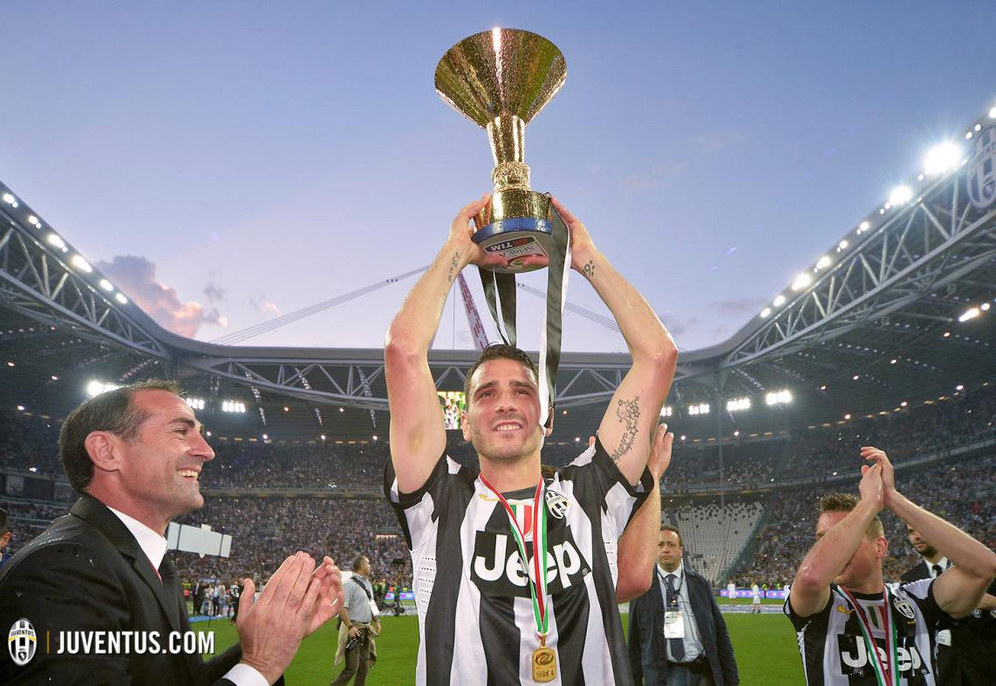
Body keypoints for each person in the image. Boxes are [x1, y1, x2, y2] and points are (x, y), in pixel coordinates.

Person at [384, 196, 677, 684]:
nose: (505, 403)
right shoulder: (439, 500)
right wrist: (456, 252)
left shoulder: (590, 492)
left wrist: (585, 259)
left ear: (546, 417)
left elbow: (658, 356)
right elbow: (403, 350)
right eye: (487, 394)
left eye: (523, 391)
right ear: (464, 422)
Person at [0, 380, 345, 685]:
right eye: (181, 431)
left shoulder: (142, 560)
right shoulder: (62, 570)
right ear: (107, 451)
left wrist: (271, 639)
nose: (207, 451)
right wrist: (259, 666)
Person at [786, 445, 996, 686]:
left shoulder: (917, 599)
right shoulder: (822, 605)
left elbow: (985, 567)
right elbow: (811, 577)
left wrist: (892, 498)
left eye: (844, 537)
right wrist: (868, 504)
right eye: (822, 540)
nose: (832, 548)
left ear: (880, 547)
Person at [627, 525, 739, 685]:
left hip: (703, 672)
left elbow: (720, 632)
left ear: (681, 551)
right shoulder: (643, 587)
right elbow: (634, 641)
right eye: (660, 544)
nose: (665, 549)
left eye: (671, 544)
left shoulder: (699, 584)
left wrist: (731, 677)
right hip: (665, 675)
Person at [901, 525, 996, 685]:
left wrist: (977, 600)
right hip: (944, 668)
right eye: (911, 532)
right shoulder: (910, 579)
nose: (916, 536)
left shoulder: (970, 565)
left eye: (921, 528)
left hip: (985, 662)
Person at [331, 554, 381, 686]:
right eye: (368, 563)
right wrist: (350, 627)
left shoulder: (368, 584)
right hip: (354, 630)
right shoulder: (349, 584)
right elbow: (342, 608)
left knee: (363, 668)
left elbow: (371, 604)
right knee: (352, 667)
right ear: (362, 566)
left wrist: (376, 620)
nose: (370, 566)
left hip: (365, 629)